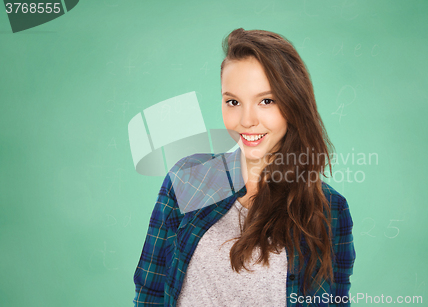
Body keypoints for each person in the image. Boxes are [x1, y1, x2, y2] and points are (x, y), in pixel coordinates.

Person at [133, 28, 355, 306]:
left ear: (293, 104)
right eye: (233, 102)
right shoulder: (189, 178)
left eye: (266, 101)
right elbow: (149, 290)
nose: (246, 120)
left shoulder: (330, 209)